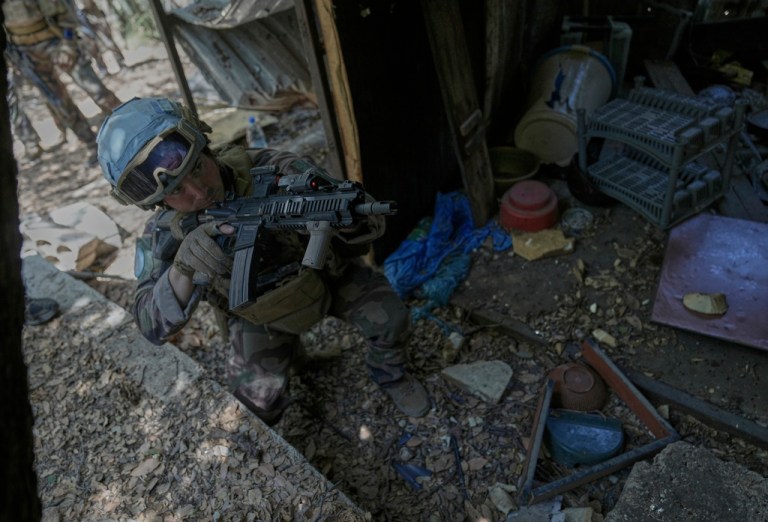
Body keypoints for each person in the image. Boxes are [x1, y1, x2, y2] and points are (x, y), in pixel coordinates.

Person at [96, 97, 430, 424]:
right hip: (257, 314)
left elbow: (365, 221)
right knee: (255, 405)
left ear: (205, 145)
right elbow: (149, 326)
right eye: (176, 191)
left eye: (198, 167)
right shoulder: (164, 232)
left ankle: (391, 375)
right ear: (155, 202)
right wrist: (182, 271)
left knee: (391, 317)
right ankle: (294, 364)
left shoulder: (276, 170)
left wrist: (342, 222)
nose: (199, 193)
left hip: (324, 277)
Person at [2, 0, 121, 165]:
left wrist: (68, 46)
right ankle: (92, 145)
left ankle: (131, 126)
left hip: (58, 43)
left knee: (97, 91)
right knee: (59, 104)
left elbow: (67, 19)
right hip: (26, 55)